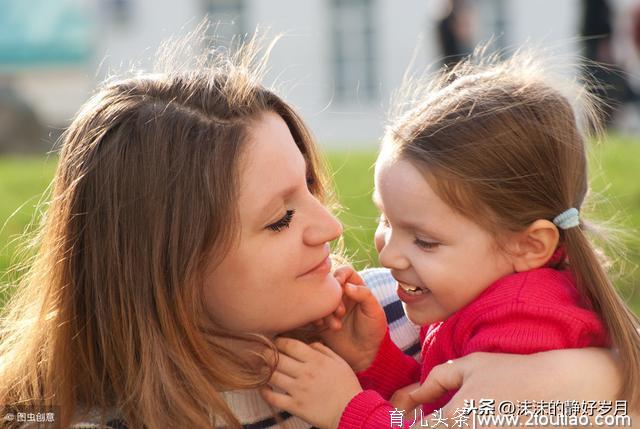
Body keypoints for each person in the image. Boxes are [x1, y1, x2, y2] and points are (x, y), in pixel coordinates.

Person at [0, 31, 629, 429]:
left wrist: (585, 388)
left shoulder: (402, 304)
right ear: (163, 268)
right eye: (280, 219)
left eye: (309, 188)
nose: (332, 227)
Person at [261, 48, 640, 428]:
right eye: (387, 220)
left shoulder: (524, 326)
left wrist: (347, 410)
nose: (390, 255)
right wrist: (375, 360)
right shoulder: (485, 293)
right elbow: (439, 406)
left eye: (425, 241)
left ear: (529, 245)